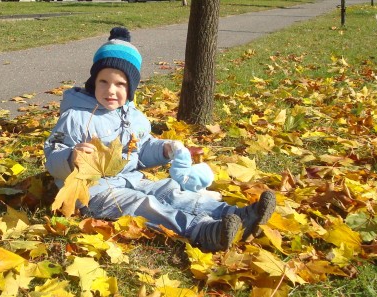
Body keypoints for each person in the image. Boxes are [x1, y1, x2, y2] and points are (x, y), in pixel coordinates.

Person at [43, 27, 275, 252]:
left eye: (120, 84)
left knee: (170, 190)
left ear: (131, 87)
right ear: (94, 81)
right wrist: (71, 156)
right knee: (145, 205)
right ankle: (203, 231)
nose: (111, 90)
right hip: (96, 192)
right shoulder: (76, 116)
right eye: (103, 81)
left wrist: (163, 149)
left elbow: (140, 151)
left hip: (133, 179)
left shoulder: (134, 117)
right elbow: (52, 155)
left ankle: (234, 215)